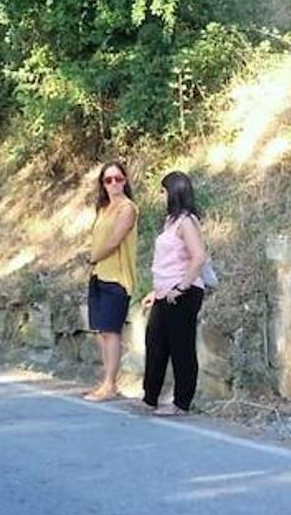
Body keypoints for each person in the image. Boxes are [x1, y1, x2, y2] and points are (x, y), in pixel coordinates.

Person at [142, 171, 208, 417]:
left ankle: (182, 403)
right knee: (155, 342)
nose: (161, 195)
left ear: (173, 192)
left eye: (163, 190)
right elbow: (168, 260)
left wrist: (181, 288)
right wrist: (156, 290)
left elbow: (198, 257)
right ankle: (150, 398)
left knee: (181, 347)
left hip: (184, 292)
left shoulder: (186, 222)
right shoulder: (170, 221)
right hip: (164, 292)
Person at [84, 162, 138, 402]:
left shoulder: (127, 208)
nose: (113, 184)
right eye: (108, 180)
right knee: (101, 331)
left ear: (125, 180)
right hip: (99, 274)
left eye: (118, 178)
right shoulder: (103, 208)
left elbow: (115, 240)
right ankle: (107, 381)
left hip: (117, 276)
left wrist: (94, 256)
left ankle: (110, 384)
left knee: (111, 331)